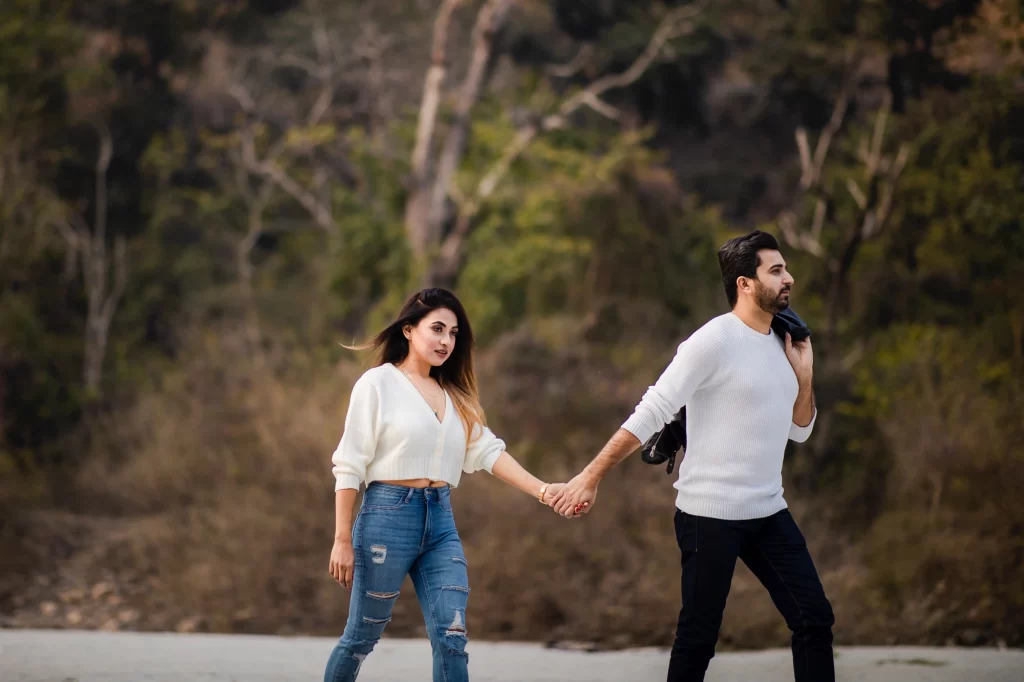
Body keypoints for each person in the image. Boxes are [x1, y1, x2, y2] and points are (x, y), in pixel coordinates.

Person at [550, 230, 835, 682]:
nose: (789, 279)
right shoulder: (712, 341)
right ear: (745, 283)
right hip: (709, 515)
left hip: (768, 510)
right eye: (776, 270)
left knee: (814, 618)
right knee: (699, 637)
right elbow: (652, 410)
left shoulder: (785, 343)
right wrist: (590, 475)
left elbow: (800, 432)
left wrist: (804, 375)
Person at [323, 288, 570, 682]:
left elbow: (489, 452)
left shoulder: (456, 397)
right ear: (408, 329)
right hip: (386, 521)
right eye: (437, 329)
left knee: (452, 637)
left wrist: (544, 490)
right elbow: (349, 464)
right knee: (361, 637)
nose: (446, 341)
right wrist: (341, 539)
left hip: (440, 525)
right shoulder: (377, 384)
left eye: (454, 334)